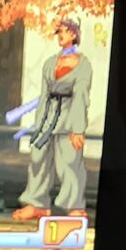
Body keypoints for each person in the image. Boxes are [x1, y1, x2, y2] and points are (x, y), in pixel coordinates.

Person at [14, 19, 92, 220]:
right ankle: (36, 203)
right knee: (38, 159)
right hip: (47, 117)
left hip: (68, 117)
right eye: (59, 31)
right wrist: (39, 123)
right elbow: (44, 95)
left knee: (70, 162)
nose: (61, 35)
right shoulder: (50, 63)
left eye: (65, 31)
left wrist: (78, 128)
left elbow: (81, 97)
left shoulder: (82, 65)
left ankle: (74, 206)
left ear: (74, 34)